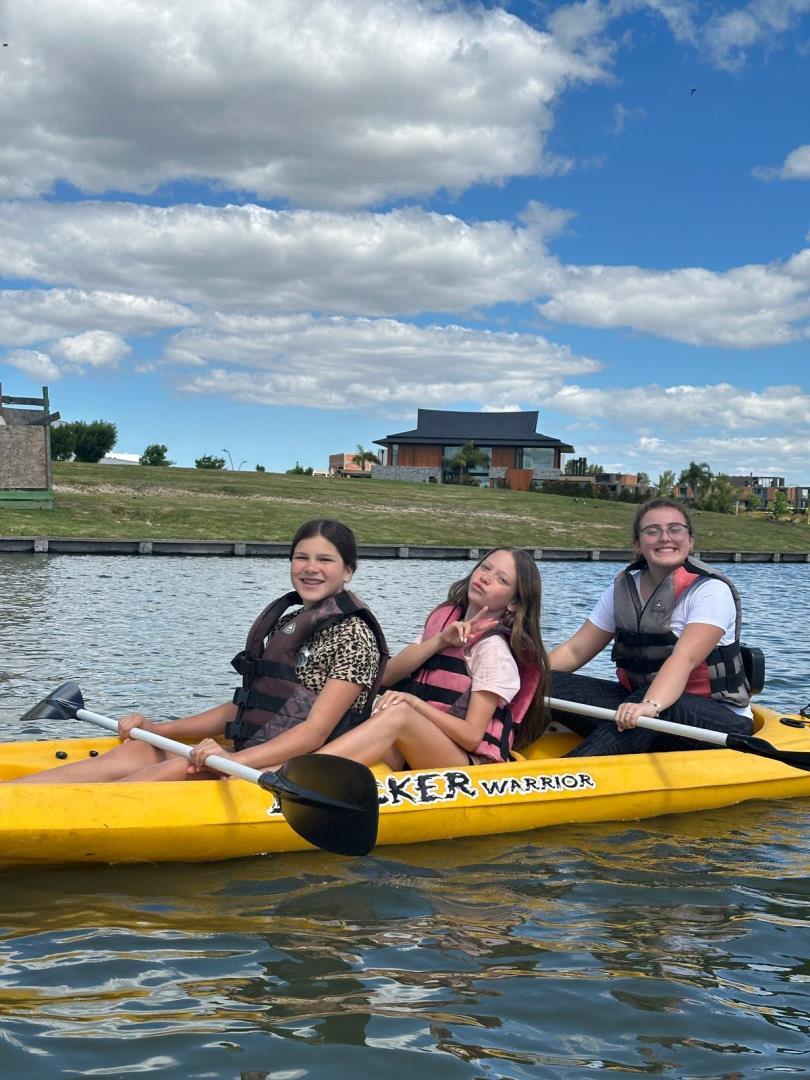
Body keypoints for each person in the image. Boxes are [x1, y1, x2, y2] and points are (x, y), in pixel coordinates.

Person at [14, 519, 387, 783]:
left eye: (325, 560)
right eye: (301, 557)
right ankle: (13, 795)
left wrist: (231, 760)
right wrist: (158, 730)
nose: (310, 569)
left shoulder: (354, 636)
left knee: (177, 767)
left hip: (298, 765)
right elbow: (247, 706)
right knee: (137, 751)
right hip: (252, 748)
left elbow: (314, 733)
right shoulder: (289, 623)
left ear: (348, 571)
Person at [548, 497, 754, 756]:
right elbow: (575, 650)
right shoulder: (621, 589)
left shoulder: (710, 591)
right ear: (637, 544)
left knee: (655, 706)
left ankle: (572, 769)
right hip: (641, 704)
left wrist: (650, 705)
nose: (665, 537)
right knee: (543, 683)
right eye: (652, 531)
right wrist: (519, 676)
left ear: (690, 540)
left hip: (716, 719)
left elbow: (684, 659)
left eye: (675, 529)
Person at [320, 548, 549, 770]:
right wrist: (441, 641)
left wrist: (414, 704)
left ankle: (304, 773)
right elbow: (387, 675)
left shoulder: (493, 651)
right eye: (485, 567)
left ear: (513, 603)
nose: (486, 578)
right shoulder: (443, 626)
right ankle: (312, 769)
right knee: (360, 709)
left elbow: (471, 737)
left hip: (471, 765)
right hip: (426, 745)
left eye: (501, 579)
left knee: (400, 714)